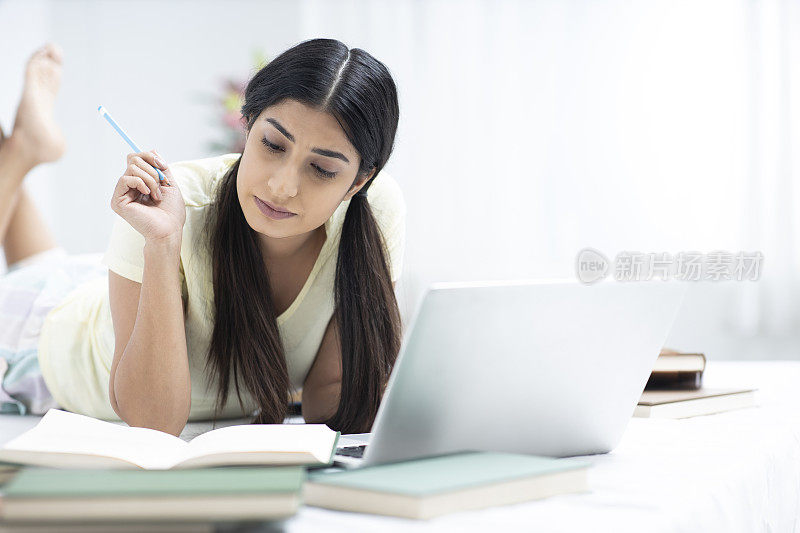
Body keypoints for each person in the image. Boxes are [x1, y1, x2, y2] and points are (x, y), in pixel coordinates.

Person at [0, 38, 406, 437]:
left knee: (43, 266)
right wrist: (162, 246)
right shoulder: (165, 208)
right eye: (272, 144)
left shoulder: (372, 212)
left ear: (358, 182)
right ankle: (19, 152)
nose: (283, 186)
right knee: (34, 280)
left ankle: (22, 148)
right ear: (247, 125)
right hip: (38, 339)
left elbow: (329, 399)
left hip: (100, 289)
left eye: (321, 169)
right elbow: (152, 423)